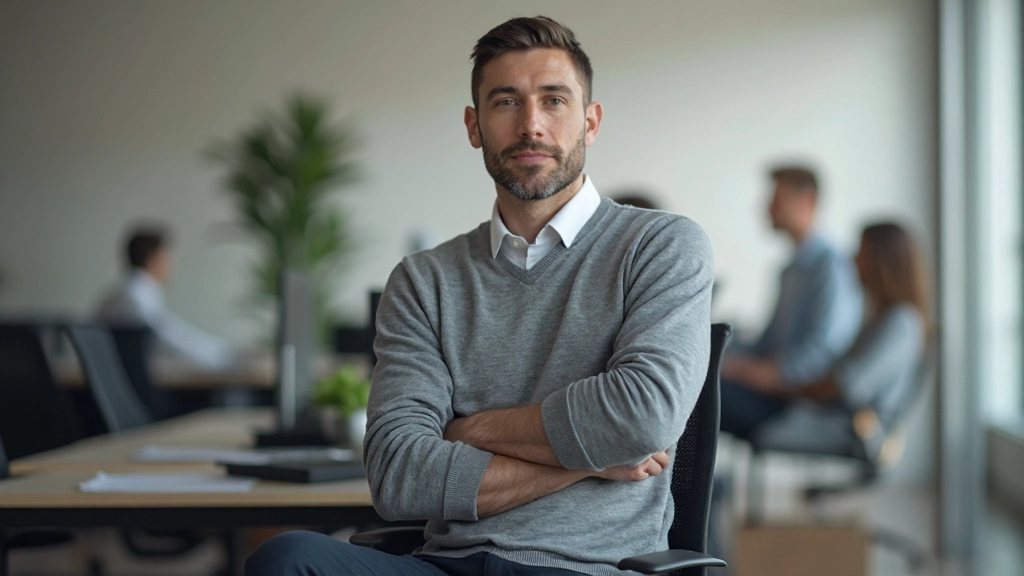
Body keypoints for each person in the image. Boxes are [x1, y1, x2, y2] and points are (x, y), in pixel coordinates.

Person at [245, 16, 713, 576]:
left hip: (587, 568)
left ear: (591, 122)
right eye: (506, 102)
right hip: (447, 566)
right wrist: (591, 462)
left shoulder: (661, 246)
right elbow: (396, 474)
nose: (532, 125)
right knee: (287, 558)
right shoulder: (423, 280)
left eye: (555, 101)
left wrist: (468, 429)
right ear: (475, 126)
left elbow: (640, 419)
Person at [728, 222, 929, 456]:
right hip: (822, 416)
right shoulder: (881, 317)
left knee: (717, 400)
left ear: (882, 261)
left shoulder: (900, 322)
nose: (853, 260)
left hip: (847, 430)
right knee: (727, 396)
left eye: (861, 253)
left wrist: (781, 386)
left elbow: (846, 385)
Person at [719, 166, 862, 440]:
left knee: (700, 396)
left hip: (797, 402)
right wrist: (721, 352)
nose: (767, 208)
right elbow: (767, 343)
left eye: (776, 199)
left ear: (807, 201)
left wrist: (755, 372)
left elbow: (821, 352)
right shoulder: (791, 270)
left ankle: (694, 483)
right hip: (773, 391)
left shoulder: (831, 266)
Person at [96, 226, 237, 369]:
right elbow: (175, 342)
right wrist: (229, 356)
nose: (171, 264)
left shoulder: (125, 294)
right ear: (153, 259)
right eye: (167, 257)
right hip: (134, 388)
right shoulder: (135, 298)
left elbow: (176, 334)